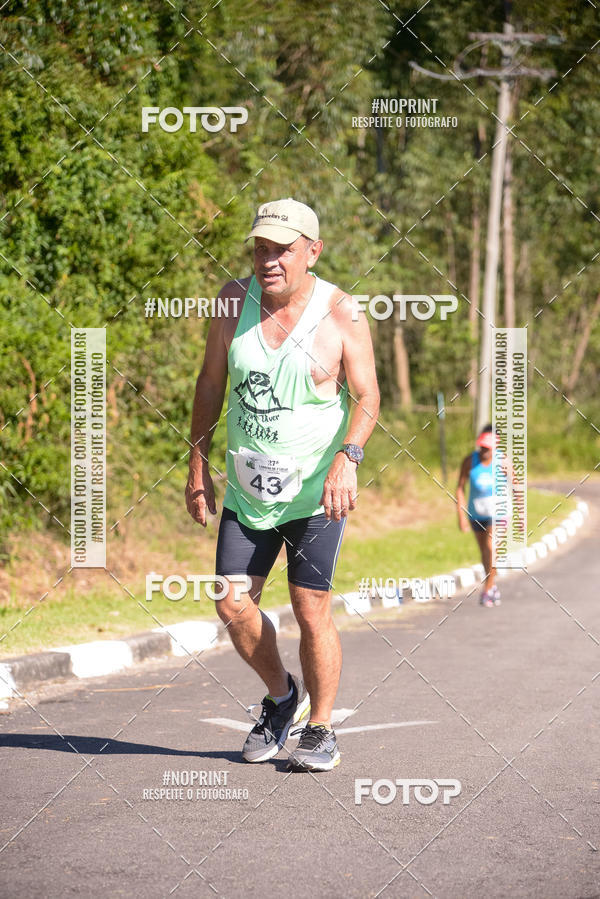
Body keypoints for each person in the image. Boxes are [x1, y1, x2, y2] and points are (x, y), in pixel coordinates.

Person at [185, 198, 380, 771]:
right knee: (231, 601)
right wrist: (196, 466)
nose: (268, 261)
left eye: (282, 250)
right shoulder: (231, 302)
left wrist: (349, 456)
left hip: (317, 491)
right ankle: (282, 696)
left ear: (312, 252)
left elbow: (368, 395)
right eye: (261, 249)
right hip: (249, 491)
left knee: (309, 605)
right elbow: (209, 383)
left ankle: (321, 727)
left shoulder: (341, 311)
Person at [456, 424, 506, 607]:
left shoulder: (503, 462)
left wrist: (521, 516)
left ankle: (487, 590)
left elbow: (517, 487)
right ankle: (492, 585)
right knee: (485, 552)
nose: (484, 451)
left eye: (488, 448)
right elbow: (460, 488)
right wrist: (461, 516)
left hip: (498, 513)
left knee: (491, 548)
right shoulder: (470, 461)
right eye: (482, 447)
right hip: (476, 513)